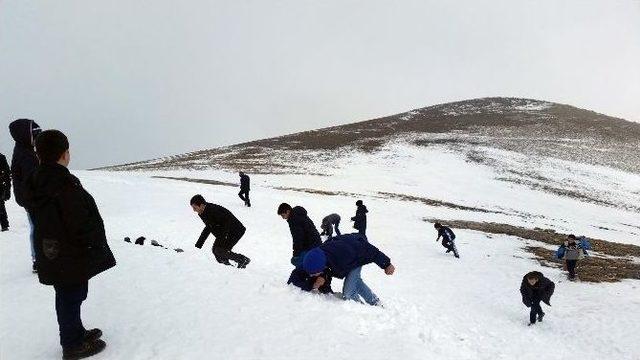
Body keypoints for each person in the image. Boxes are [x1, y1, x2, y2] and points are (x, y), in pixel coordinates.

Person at [25, 130, 115, 359]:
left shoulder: (40, 179)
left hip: (55, 251)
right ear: (65, 154)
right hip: (69, 252)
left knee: (70, 294)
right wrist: (92, 243)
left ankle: (76, 332)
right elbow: (78, 221)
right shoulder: (61, 183)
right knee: (71, 295)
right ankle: (72, 344)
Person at [300, 233, 395, 306]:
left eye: (314, 274)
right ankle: (376, 303)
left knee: (348, 293)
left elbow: (368, 249)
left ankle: (362, 311)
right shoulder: (319, 257)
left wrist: (386, 264)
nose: (312, 276)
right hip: (349, 254)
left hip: (358, 253)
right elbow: (326, 272)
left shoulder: (343, 253)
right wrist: (325, 289)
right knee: (356, 282)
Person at [9, 118, 41, 271]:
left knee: (40, 226)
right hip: (32, 199)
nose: (38, 137)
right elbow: (30, 180)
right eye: (35, 134)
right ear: (25, 135)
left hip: (33, 198)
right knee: (37, 227)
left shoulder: (27, 151)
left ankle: (42, 256)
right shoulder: (24, 154)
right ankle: (37, 259)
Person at [191, 194, 250, 268]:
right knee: (217, 251)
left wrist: (222, 238)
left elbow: (226, 223)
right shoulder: (202, 212)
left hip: (236, 230)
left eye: (195, 207)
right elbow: (208, 227)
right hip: (224, 232)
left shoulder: (214, 210)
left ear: (202, 205)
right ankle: (229, 267)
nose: (194, 210)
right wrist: (199, 244)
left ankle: (242, 260)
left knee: (219, 250)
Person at [277, 203, 322, 267]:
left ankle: (308, 273)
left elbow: (298, 238)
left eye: (283, 215)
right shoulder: (299, 215)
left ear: (288, 211)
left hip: (311, 245)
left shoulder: (293, 220)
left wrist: (296, 254)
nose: (283, 218)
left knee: (296, 261)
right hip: (316, 242)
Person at [1, 153, 10, 231]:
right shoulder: (1, 157)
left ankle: (4, 225)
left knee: (0, 205)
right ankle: (4, 225)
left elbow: (7, 174)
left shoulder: (1, 158)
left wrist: (7, 190)